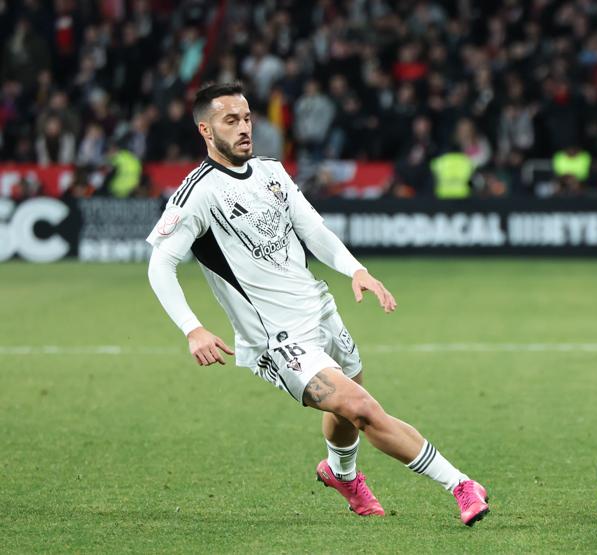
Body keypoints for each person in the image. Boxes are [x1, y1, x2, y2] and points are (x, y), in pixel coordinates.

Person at [145, 82, 491, 524]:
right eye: (231, 120)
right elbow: (161, 264)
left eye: (247, 117)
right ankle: (461, 485)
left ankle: (341, 473)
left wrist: (356, 270)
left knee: (348, 410)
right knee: (362, 408)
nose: (245, 127)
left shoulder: (271, 171)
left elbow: (313, 229)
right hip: (276, 339)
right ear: (206, 131)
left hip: (321, 310)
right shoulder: (198, 193)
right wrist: (192, 328)